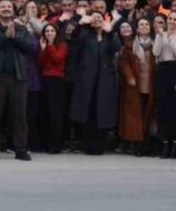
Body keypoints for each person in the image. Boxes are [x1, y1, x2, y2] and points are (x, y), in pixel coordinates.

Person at [0, 0, 34, 161]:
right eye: (3, 7)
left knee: (20, 116)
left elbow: (29, 46)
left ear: (13, 10)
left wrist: (15, 37)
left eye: (9, 7)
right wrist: (5, 37)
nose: (6, 9)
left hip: (18, 78)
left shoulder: (21, 29)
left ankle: (21, 150)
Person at [69, 10, 120, 155]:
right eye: (94, 17)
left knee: (102, 111)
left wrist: (110, 31)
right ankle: (87, 144)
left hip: (104, 80)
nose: (97, 20)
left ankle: (100, 144)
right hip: (87, 79)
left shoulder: (109, 35)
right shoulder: (85, 34)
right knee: (89, 111)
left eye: (99, 17)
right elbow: (75, 42)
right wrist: (80, 24)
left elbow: (117, 47)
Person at [152, 11, 176, 159]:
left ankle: (175, 142)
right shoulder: (161, 34)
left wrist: (168, 36)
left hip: (175, 69)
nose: (172, 21)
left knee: (175, 108)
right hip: (162, 69)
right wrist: (161, 36)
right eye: (170, 18)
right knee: (163, 107)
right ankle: (165, 142)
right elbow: (156, 52)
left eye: (175, 19)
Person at [119, 18, 155, 157]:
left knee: (148, 115)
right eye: (141, 24)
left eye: (146, 24)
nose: (144, 26)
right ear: (137, 29)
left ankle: (148, 145)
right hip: (135, 84)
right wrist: (129, 77)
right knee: (136, 116)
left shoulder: (155, 44)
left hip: (150, 83)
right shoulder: (130, 45)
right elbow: (124, 63)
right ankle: (138, 145)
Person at [37, 23, 68, 154]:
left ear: (56, 33)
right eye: (47, 31)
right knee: (45, 112)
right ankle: (44, 143)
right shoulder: (43, 45)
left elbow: (57, 59)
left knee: (55, 113)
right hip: (44, 79)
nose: (49, 33)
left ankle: (56, 144)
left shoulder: (62, 45)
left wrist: (49, 45)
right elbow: (40, 63)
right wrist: (42, 50)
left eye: (52, 31)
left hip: (57, 80)